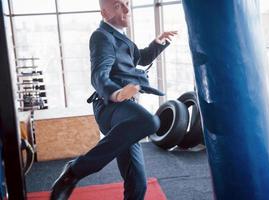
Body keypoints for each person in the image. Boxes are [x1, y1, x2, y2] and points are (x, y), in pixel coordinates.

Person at [50, 0, 177, 199]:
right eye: (119, 5)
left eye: (127, 2)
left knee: (137, 183)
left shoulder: (120, 37)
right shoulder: (101, 36)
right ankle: (74, 171)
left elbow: (139, 58)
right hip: (110, 106)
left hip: (126, 112)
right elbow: (99, 75)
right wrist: (116, 93)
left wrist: (158, 44)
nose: (127, 9)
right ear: (104, 13)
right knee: (149, 121)